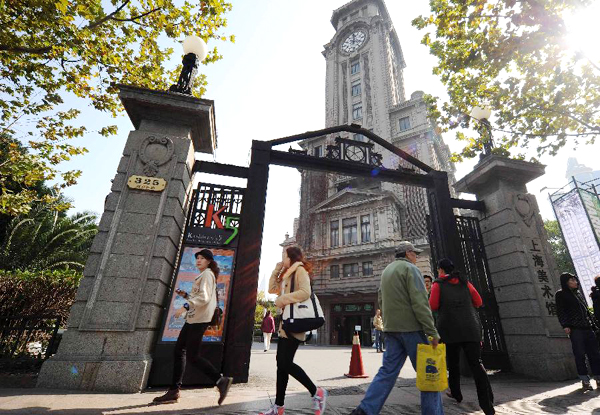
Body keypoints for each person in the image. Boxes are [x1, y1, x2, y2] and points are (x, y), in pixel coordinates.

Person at [350, 241, 444, 415]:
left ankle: (365, 410)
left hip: (392, 330)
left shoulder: (387, 271)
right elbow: (420, 302)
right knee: (428, 374)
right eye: (415, 254)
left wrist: (388, 322)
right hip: (412, 329)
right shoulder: (411, 270)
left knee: (387, 372)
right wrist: (431, 331)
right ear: (408, 253)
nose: (416, 257)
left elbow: (381, 299)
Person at [152, 249, 233, 405]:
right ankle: (174, 390)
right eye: (197, 258)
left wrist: (184, 306)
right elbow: (200, 298)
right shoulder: (204, 275)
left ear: (209, 261)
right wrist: (186, 296)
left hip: (198, 320)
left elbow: (204, 298)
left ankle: (220, 380)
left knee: (192, 355)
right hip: (194, 319)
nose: (198, 260)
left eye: (202, 258)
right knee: (180, 350)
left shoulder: (207, 275)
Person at [259, 246, 327, 415]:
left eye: (283, 255)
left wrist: (282, 300)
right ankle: (278, 407)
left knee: (284, 363)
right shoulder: (287, 274)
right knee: (281, 366)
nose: (282, 257)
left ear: (290, 256)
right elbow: (272, 289)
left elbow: (305, 292)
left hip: (296, 323)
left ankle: (316, 392)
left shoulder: (300, 270)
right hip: (286, 324)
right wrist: (277, 269)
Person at [429, 258, 494, 415]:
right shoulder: (465, 282)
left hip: (449, 329)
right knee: (477, 364)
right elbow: (478, 301)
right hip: (471, 328)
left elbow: (433, 305)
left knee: (453, 363)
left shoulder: (438, 284)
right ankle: (487, 404)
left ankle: (456, 394)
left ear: (440, 270)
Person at [556, 272, 600, 391]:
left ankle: (598, 378)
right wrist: (565, 325)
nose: (576, 282)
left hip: (587, 328)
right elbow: (560, 311)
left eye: (575, 280)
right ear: (566, 282)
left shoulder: (578, 294)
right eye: (572, 280)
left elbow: (586, 311)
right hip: (575, 329)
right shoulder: (561, 294)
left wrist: (593, 323)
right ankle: (585, 380)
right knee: (580, 355)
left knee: (595, 353)